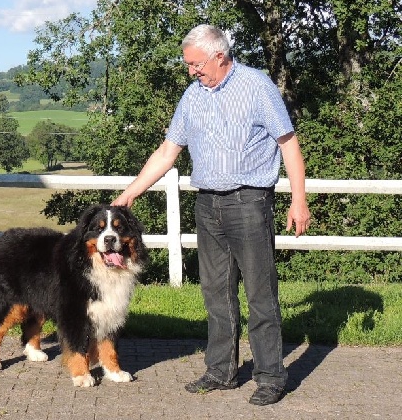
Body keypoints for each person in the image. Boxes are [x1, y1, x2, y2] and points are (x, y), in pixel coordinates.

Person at [112, 24, 311, 406]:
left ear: (219, 55)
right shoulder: (193, 96)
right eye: (188, 65)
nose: (191, 71)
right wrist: (130, 194)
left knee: (260, 293)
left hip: (250, 203)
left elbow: (288, 143)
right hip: (207, 205)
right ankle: (221, 371)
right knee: (215, 294)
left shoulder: (256, 87)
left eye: (195, 63)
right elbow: (168, 151)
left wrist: (298, 200)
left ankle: (270, 376)